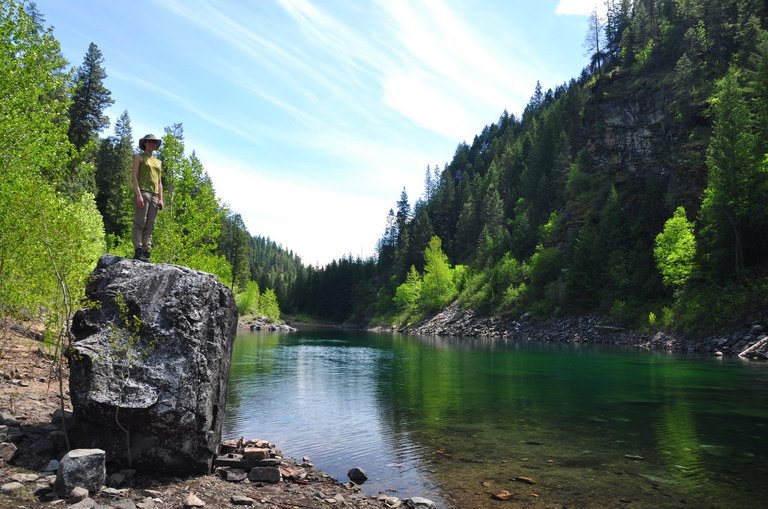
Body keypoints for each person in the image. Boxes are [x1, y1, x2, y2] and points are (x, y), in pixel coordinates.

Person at [132, 133, 164, 262]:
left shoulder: (158, 162)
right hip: (143, 192)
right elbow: (134, 176)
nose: (152, 144)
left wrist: (161, 198)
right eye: (150, 141)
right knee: (140, 221)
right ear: (144, 143)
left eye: (154, 142)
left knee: (150, 224)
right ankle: (138, 249)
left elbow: (159, 182)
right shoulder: (139, 157)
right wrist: (138, 194)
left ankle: (146, 250)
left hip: (155, 195)